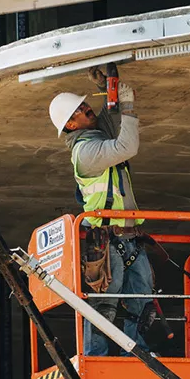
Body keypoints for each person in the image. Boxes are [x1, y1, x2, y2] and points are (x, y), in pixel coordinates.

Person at [47, 68, 152, 356]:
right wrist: (128, 104)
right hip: (107, 239)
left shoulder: (95, 136)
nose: (86, 108)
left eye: (83, 104)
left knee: (142, 300)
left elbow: (109, 116)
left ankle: (138, 353)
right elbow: (127, 145)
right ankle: (95, 356)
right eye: (79, 110)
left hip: (129, 235)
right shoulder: (85, 152)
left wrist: (109, 87)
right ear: (70, 125)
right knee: (105, 304)